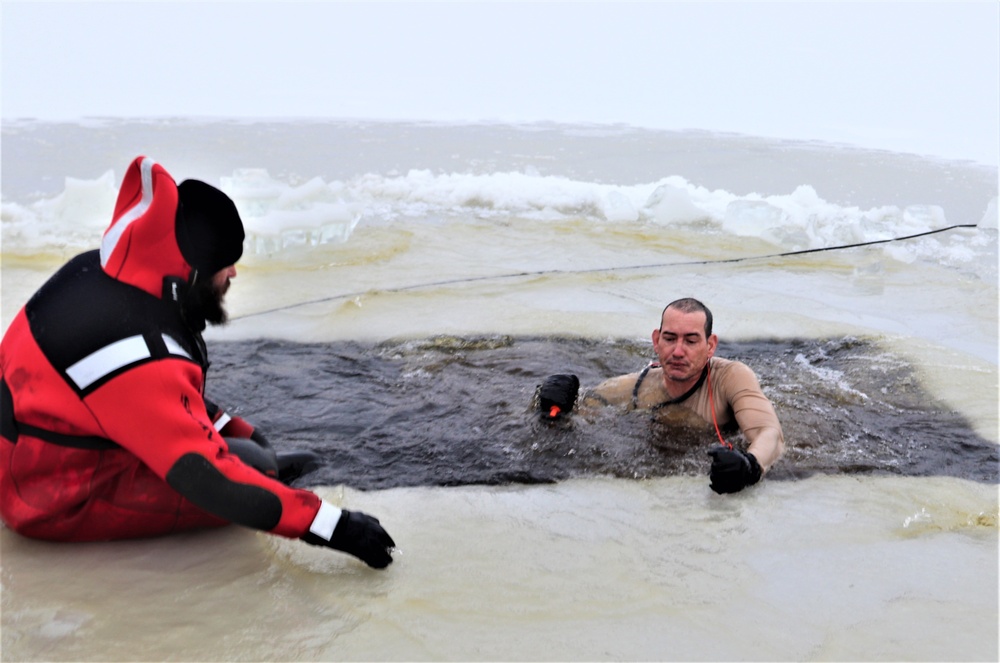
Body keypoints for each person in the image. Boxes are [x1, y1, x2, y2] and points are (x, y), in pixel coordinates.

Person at [0, 156, 395, 568]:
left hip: (31, 453)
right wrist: (334, 525)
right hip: (46, 500)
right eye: (225, 265)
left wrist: (240, 430)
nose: (234, 275)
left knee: (254, 452)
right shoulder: (137, 353)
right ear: (190, 275)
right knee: (249, 469)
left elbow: (154, 403)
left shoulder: (101, 273)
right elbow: (206, 476)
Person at [537, 298, 784, 494]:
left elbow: (769, 432)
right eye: (669, 338)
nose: (678, 351)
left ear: (710, 346)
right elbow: (580, 409)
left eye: (690, 340)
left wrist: (750, 466)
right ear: (656, 341)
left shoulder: (730, 377)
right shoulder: (635, 387)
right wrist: (550, 404)